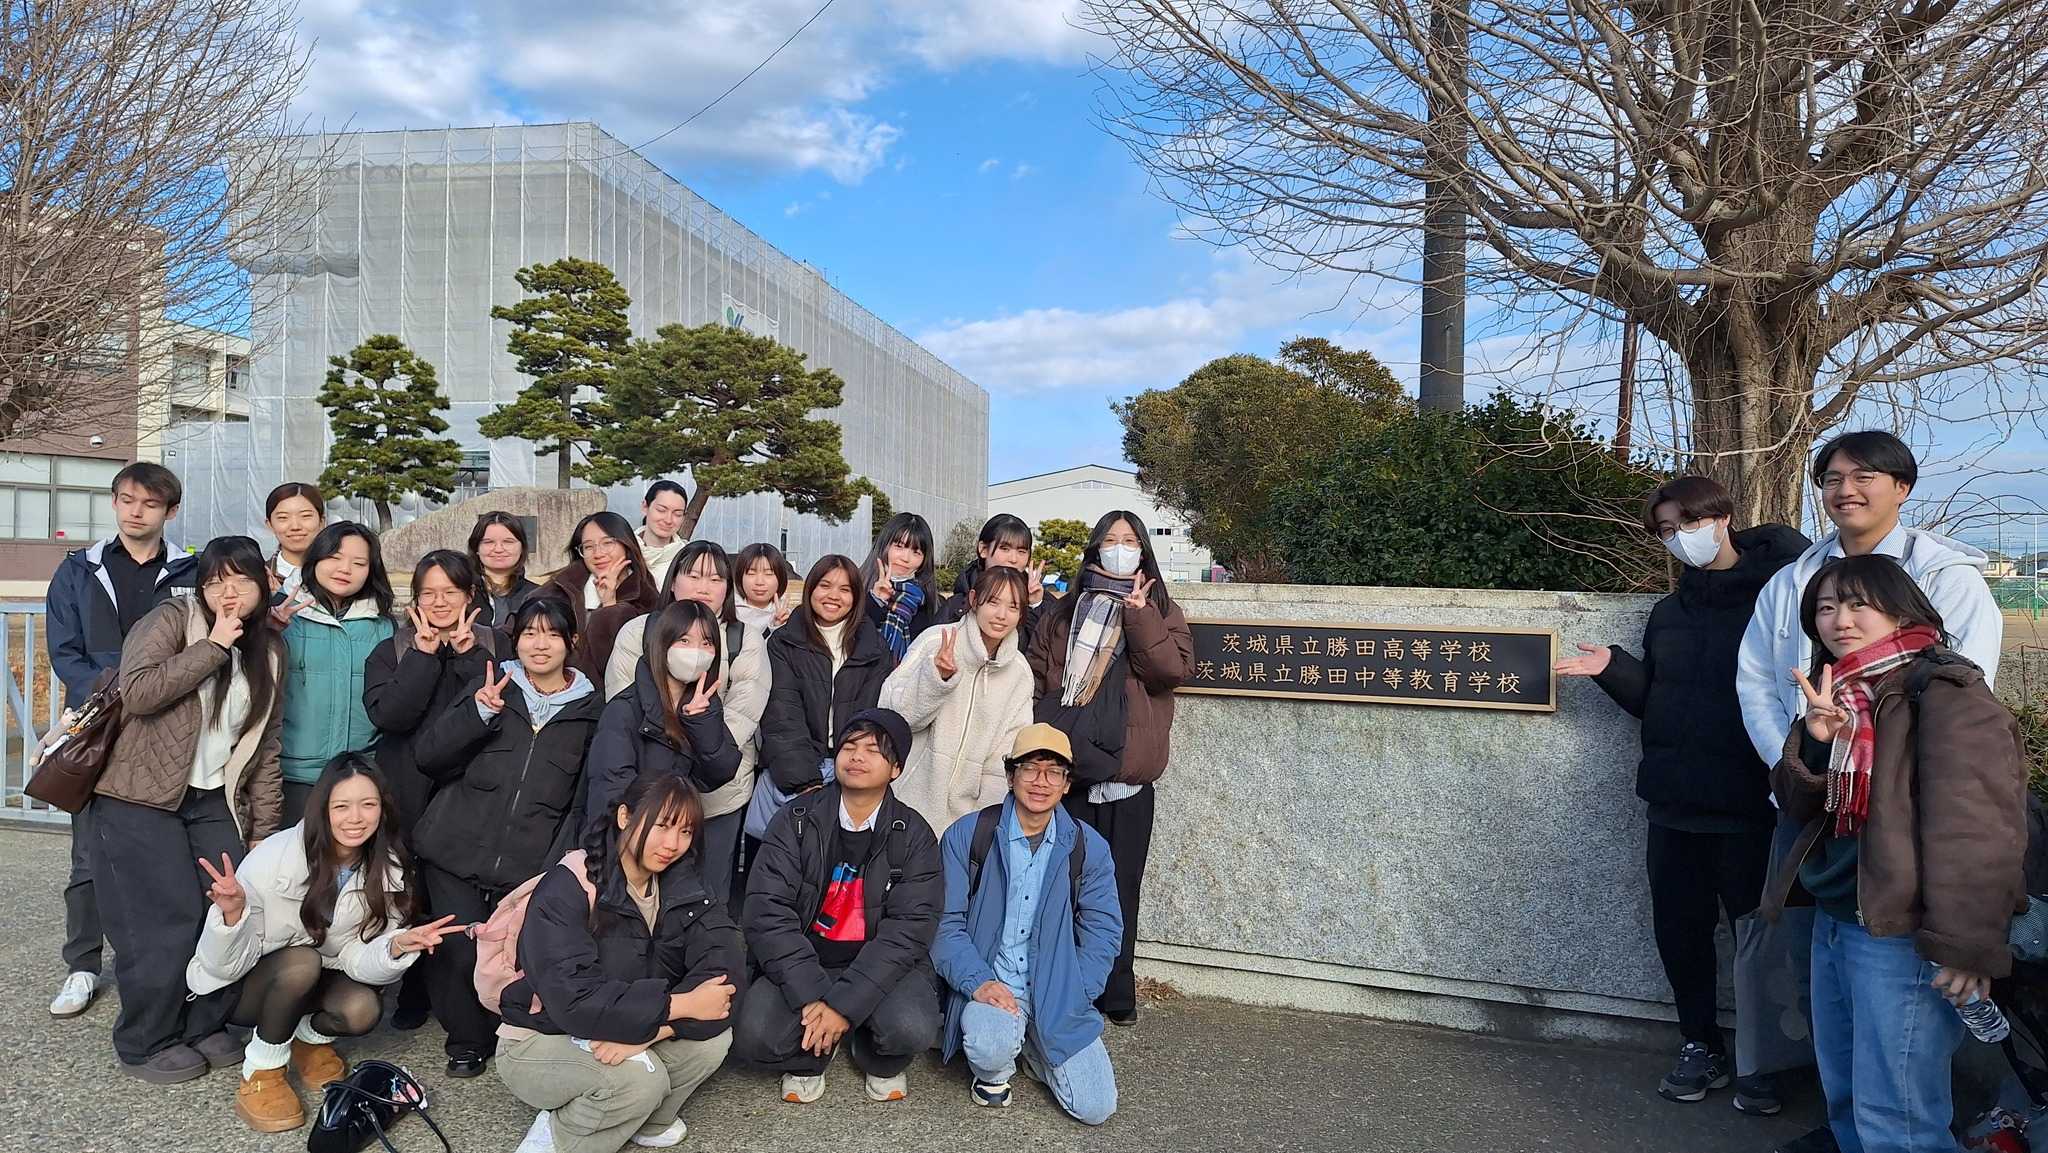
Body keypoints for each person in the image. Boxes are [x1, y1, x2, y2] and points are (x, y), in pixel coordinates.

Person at [1554, 476, 1808, 1109]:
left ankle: (1764, 1059)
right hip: (1673, 802)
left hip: (1752, 804)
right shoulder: (1668, 612)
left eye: (1687, 524)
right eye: (1666, 531)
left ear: (1721, 517)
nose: (1678, 538)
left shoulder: (1780, 600)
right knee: (1680, 932)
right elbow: (1659, 703)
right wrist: (1612, 669)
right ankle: (1700, 1044)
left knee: (1759, 942)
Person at [1758, 554, 2025, 1153]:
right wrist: (1817, 743)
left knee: (1897, 1115)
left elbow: (1979, 831)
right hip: (1835, 916)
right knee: (1847, 1095)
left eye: (1859, 604)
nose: (1840, 621)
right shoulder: (1842, 695)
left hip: (1901, 932)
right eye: (1826, 608)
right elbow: (1799, 809)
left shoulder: (1947, 694)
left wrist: (1966, 948)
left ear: (1901, 610)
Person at [89, 535, 285, 1083]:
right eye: (216, 582)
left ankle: (201, 1024)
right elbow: (139, 692)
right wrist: (213, 646)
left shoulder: (269, 649)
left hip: (213, 799)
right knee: (161, 921)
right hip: (139, 796)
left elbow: (266, 743)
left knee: (223, 912)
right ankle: (146, 1039)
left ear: (262, 585)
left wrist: (263, 828)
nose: (229, 593)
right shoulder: (172, 620)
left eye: (241, 581)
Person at [185, 755, 461, 1132]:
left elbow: (356, 959)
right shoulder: (273, 858)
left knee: (362, 1009)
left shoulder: (390, 869)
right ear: (322, 809)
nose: (355, 818)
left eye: (368, 804)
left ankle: (306, 1040)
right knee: (302, 962)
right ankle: (262, 1072)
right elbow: (221, 966)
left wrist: (395, 947)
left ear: (383, 809)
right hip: (244, 989)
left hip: (314, 979)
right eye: (342, 806)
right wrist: (232, 916)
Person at [408, 597, 602, 1078]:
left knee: (510, 950)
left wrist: (556, 864)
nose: (540, 644)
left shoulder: (590, 710)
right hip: (455, 845)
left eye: (552, 634)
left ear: (572, 642)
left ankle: (507, 1030)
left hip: (528, 859)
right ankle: (466, 1041)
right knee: (457, 948)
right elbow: (429, 756)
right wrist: (477, 713)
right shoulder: (492, 684)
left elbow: (580, 799)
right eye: (530, 633)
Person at [502, 772, 744, 1153]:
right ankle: (556, 1138)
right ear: (625, 817)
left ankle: (643, 1122)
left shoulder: (683, 881)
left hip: (630, 1020)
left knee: (713, 1040)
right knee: (639, 1083)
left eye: (685, 832)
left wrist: (654, 1031)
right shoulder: (572, 883)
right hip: (543, 1035)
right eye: (662, 826)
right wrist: (677, 1007)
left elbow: (726, 968)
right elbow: (573, 1000)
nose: (672, 844)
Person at [1738, 430, 2003, 770]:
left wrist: (1897, 781)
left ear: (1902, 488)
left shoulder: (1948, 578)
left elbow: (1966, 688)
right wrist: (1793, 764)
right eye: (1832, 480)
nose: (1846, 490)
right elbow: (1757, 682)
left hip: (1911, 784)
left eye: (1863, 477)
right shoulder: (1787, 583)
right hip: (1807, 777)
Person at [1027, 509, 1192, 1027]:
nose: (1120, 548)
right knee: (1060, 885)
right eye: (1111, 539)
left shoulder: (1162, 609)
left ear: (1144, 551)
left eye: (1131, 540)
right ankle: (1060, 988)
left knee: (1121, 888)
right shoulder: (1063, 613)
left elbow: (1170, 671)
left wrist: (1139, 616)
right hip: (1071, 774)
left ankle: (1115, 992)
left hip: (1128, 779)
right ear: (1095, 548)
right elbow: (1036, 680)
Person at [44, 461, 196, 1019]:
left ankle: (163, 963)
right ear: (114, 503)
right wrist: (117, 695)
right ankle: (82, 965)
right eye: (127, 500)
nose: (136, 512)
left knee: (165, 852)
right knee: (89, 852)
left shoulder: (189, 570)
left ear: (170, 512)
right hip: (96, 724)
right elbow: (65, 651)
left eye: (150, 504)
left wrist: (156, 693)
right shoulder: (78, 570)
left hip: (169, 724)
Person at [736, 708, 943, 1105]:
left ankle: (873, 1053)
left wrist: (843, 1007)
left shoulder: (914, 834)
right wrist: (814, 998)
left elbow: (909, 932)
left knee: (912, 1027)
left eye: (873, 750)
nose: (857, 756)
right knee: (753, 1035)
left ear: (896, 769)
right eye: (849, 746)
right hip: (807, 959)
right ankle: (812, 1056)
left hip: (878, 965)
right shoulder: (796, 819)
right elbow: (767, 912)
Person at [930, 724, 1121, 1123]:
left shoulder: (1087, 847)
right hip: (993, 988)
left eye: (1054, 772)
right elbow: (945, 924)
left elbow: (1103, 930)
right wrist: (978, 982)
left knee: (1096, 1108)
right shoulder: (970, 835)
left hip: (1059, 992)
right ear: (1011, 775)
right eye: (1030, 768)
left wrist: (1079, 989)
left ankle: (1034, 1046)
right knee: (989, 1045)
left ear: (1066, 784)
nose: (1041, 781)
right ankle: (996, 1069)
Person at [362, 549, 494, 1030]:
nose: (439, 602)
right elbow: (390, 716)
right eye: (428, 593)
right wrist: (422, 656)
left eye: (450, 592)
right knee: (409, 893)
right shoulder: (392, 650)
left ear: (470, 594)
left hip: (469, 793)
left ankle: (464, 999)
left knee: (458, 900)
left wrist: (468, 656)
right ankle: (412, 989)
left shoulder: (492, 645)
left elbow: (490, 713)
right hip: (407, 792)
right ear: (414, 600)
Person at [599, 543, 771, 903]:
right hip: (645, 791)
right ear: (673, 580)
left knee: (705, 899)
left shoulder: (744, 639)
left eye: (716, 579)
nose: (703, 587)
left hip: (716, 798)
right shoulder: (638, 631)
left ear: (728, 588)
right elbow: (623, 702)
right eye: (693, 575)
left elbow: (742, 715)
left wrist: (702, 730)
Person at [881, 564, 1036, 837]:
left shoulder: (1020, 673)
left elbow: (1008, 754)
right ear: (974, 600)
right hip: (906, 805)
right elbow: (893, 717)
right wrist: (936, 679)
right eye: (993, 602)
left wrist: (982, 820)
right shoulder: (935, 641)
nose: (1001, 615)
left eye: (1013, 607)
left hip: (966, 822)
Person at [585, 599, 741, 869]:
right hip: (630, 851)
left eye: (707, 642)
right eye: (685, 641)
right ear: (662, 644)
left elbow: (720, 771)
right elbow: (610, 792)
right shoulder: (625, 709)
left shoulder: (703, 705)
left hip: (676, 847)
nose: (697, 652)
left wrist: (700, 723)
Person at [756, 555, 895, 832]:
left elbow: (871, 714)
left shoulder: (873, 647)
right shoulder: (784, 642)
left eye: (845, 589)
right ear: (811, 589)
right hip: (796, 775)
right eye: (825, 585)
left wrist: (852, 775)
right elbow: (782, 716)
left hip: (850, 775)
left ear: (856, 597)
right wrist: (806, 783)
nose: (833, 596)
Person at [278, 522, 395, 826]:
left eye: (359, 563)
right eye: (334, 557)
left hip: (360, 775)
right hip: (292, 775)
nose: (345, 569)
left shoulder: (384, 627)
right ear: (315, 558)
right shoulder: (282, 617)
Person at [541, 511, 656, 682]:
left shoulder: (648, 598)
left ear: (626, 544)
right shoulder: (558, 589)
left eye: (607, 543)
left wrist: (609, 604)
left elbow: (620, 663)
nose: (598, 553)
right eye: (588, 547)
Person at [937, 514, 1048, 641]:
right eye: (1004, 549)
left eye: (1021, 551)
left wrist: (1035, 606)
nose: (1013, 559)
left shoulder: (1042, 602)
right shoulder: (956, 606)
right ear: (983, 549)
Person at [860, 512, 941, 662]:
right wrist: (875, 601)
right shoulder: (854, 588)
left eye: (916, 552)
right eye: (899, 546)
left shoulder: (927, 604)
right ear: (884, 545)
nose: (905, 558)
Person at [470, 511, 539, 631]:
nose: (498, 549)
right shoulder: (463, 592)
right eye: (489, 542)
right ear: (476, 548)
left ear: (522, 547)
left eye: (508, 542)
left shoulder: (538, 595)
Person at [263, 482, 325, 606]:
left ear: (321, 521)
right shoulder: (260, 578)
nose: (295, 526)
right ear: (269, 524)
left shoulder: (338, 576)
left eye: (305, 516)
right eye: (283, 518)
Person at [735, 542, 794, 635]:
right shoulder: (728, 612)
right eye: (751, 573)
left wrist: (778, 627)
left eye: (768, 574)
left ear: (780, 578)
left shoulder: (788, 617)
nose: (759, 582)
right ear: (740, 577)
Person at [637, 480, 690, 581]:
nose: (668, 520)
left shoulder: (688, 558)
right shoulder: (623, 551)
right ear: (645, 507)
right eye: (661, 510)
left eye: (677, 514)